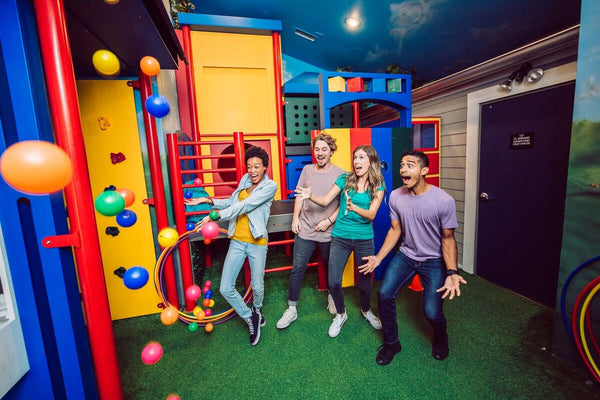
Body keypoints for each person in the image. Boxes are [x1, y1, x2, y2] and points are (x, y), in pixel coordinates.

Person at [359, 150, 467, 365]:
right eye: (401, 165)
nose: (403, 169)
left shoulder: (443, 200)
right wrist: (379, 257)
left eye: (410, 165)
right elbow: (395, 230)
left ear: (424, 170)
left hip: (434, 260)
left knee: (432, 312)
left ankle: (441, 338)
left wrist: (452, 271)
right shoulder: (397, 196)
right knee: (384, 294)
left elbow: (448, 239)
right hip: (406, 255)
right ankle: (392, 343)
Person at [185, 146, 277, 346]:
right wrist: (210, 201)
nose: (252, 170)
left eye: (257, 166)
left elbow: (246, 206)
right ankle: (249, 316)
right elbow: (232, 201)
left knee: (258, 287)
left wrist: (216, 216)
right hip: (237, 241)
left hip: (257, 242)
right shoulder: (245, 180)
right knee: (226, 288)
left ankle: (257, 309)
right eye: (249, 166)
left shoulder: (270, 186)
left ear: (265, 168)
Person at [296, 145, 385, 338]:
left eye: (361, 157)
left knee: (365, 281)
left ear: (371, 160)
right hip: (341, 236)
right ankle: (341, 314)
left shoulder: (378, 186)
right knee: (334, 281)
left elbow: (371, 214)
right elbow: (326, 200)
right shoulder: (345, 179)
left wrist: (354, 208)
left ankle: (366, 310)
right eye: (355, 157)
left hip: (364, 239)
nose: (356, 161)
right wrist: (310, 195)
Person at [276, 133, 344, 329]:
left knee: (332, 271)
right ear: (313, 151)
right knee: (297, 269)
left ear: (331, 151)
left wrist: (329, 221)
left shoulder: (341, 174)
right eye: (317, 149)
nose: (320, 153)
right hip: (306, 229)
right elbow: (299, 196)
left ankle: (332, 296)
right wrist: (295, 218)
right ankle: (291, 308)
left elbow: (343, 204)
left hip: (328, 231)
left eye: (324, 149)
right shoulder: (306, 170)